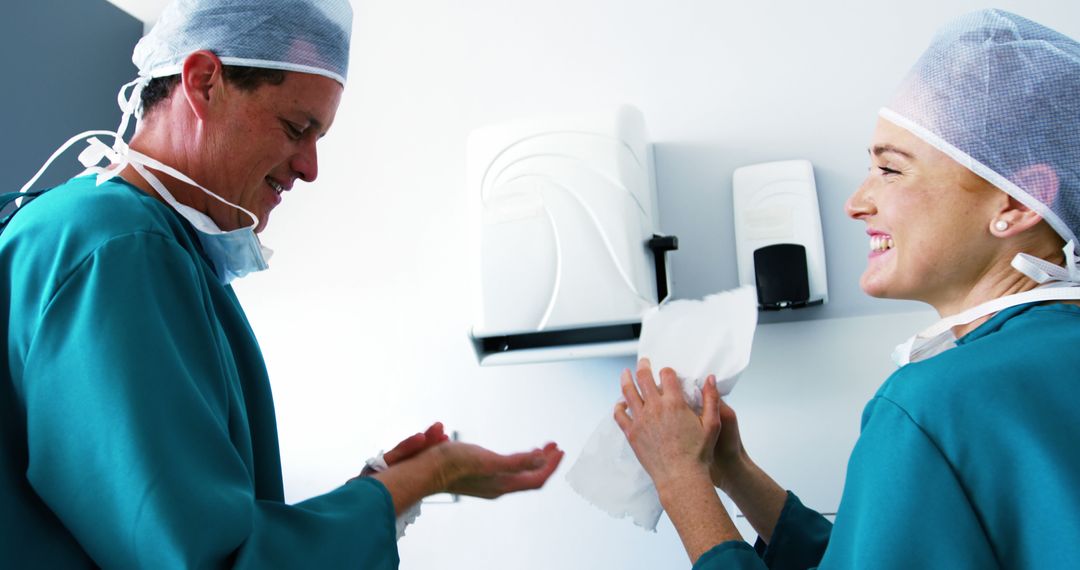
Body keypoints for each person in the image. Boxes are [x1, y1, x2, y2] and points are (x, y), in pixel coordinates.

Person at [0, 1, 562, 567]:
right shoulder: (118, 252)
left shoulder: (126, 241)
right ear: (203, 82)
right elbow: (199, 558)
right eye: (297, 128)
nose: (311, 167)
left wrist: (381, 490)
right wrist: (415, 482)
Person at [615, 9, 1080, 569]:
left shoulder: (932, 404)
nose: (856, 202)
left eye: (891, 170)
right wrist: (732, 470)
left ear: (1017, 203)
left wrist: (681, 483)